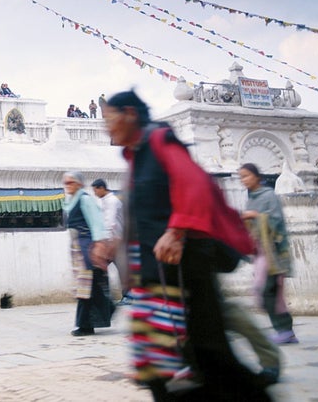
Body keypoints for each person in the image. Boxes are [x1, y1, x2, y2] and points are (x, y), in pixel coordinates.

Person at [103, 89, 268, 401]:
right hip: (157, 278)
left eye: (110, 118)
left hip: (186, 270)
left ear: (130, 114)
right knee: (163, 365)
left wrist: (177, 231)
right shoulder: (137, 157)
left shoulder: (159, 141)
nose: (106, 127)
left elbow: (194, 184)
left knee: (207, 354)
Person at [238, 162, 298, 345]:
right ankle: (284, 330)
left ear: (257, 176)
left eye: (246, 176)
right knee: (265, 291)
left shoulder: (269, 196)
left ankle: (285, 330)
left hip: (273, 253)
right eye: (241, 177)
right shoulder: (251, 198)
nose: (244, 180)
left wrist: (255, 216)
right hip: (260, 253)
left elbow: (277, 221)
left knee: (270, 290)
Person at [62, 172, 115, 335]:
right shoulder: (72, 201)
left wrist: (99, 246)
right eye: (66, 183)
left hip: (87, 246)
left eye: (71, 182)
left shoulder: (85, 200)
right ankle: (107, 308)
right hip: (78, 247)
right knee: (88, 286)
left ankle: (86, 325)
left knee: (85, 287)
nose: (68, 185)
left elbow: (96, 223)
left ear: (78, 184)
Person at [91, 178, 127, 303]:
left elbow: (110, 222)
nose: (95, 193)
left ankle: (127, 295)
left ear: (101, 188)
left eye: (95, 190)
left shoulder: (112, 201)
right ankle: (105, 296)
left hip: (115, 241)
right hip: (110, 241)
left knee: (120, 268)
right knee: (102, 267)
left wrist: (104, 242)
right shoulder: (104, 201)